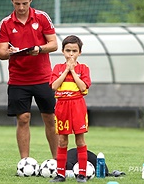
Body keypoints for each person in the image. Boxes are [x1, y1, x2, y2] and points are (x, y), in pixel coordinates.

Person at [0, 0, 58, 160]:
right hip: (18, 80)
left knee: (50, 118)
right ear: (12, 1)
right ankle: (25, 161)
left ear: (31, 0)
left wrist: (39, 49)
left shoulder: (42, 17)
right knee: (23, 118)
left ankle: (57, 161)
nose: (21, 7)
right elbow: (1, 53)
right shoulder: (5, 23)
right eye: (17, 4)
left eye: (24, 3)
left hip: (44, 78)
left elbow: (53, 44)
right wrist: (10, 52)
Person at [49, 35, 91, 183]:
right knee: (62, 140)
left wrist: (73, 71)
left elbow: (83, 87)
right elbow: (54, 86)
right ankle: (60, 174)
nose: (71, 54)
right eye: (68, 50)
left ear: (79, 52)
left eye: (74, 50)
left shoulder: (83, 68)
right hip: (62, 106)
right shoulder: (58, 68)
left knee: (80, 140)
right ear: (62, 51)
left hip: (78, 105)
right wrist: (66, 70)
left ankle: (82, 174)